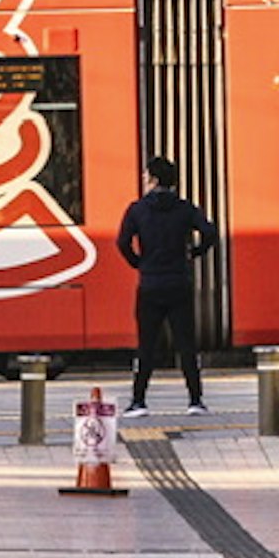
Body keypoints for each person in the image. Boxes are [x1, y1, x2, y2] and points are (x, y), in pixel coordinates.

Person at [118, 150, 219, 411]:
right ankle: (195, 400)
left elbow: (122, 242)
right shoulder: (185, 209)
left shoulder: (137, 210)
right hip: (179, 283)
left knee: (146, 345)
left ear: (152, 180)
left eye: (145, 175)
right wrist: (194, 253)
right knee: (186, 344)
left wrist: (139, 263)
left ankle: (138, 401)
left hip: (150, 284)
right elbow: (210, 233)